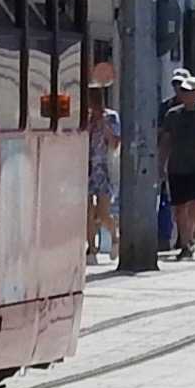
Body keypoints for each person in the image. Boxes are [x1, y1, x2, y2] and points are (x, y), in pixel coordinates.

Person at [158, 72, 195, 259]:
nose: (185, 94)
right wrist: (160, 165)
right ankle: (185, 244)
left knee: (194, 202)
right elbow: (165, 141)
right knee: (178, 207)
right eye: (183, 91)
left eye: (189, 91)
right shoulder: (172, 115)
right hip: (175, 167)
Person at [84, 83, 120, 262]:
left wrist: (104, 124)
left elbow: (115, 142)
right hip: (87, 167)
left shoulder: (111, 117)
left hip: (105, 168)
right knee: (88, 210)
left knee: (102, 211)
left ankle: (115, 237)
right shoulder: (85, 119)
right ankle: (91, 248)